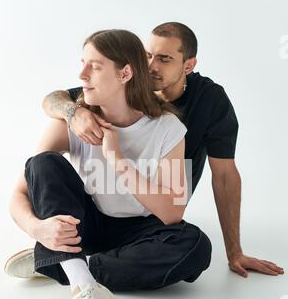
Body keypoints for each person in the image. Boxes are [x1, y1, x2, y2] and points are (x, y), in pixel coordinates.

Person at [6, 29, 212, 299]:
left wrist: (117, 160)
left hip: (140, 230)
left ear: (125, 73)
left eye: (95, 66)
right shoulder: (71, 121)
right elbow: (20, 193)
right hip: (87, 222)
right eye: (83, 64)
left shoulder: (168, 128)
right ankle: (83, 287)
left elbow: (173, 212)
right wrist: (38, 229)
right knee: (42, 162)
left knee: (195, 246)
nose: (82, 74)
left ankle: (62, 266)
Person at [41, 22, 284, 279]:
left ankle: (69, 265)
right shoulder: (123, 84)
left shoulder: (208, 101)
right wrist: (73, 113)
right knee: (43, 163)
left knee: (195, 246)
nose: (151, 66)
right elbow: (54, 99)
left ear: (188, 65)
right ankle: (73, 263)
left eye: (165, 59)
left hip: (158, 212)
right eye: (147, 56)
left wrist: (235, 252)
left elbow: (224, 176)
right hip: (101, 207)